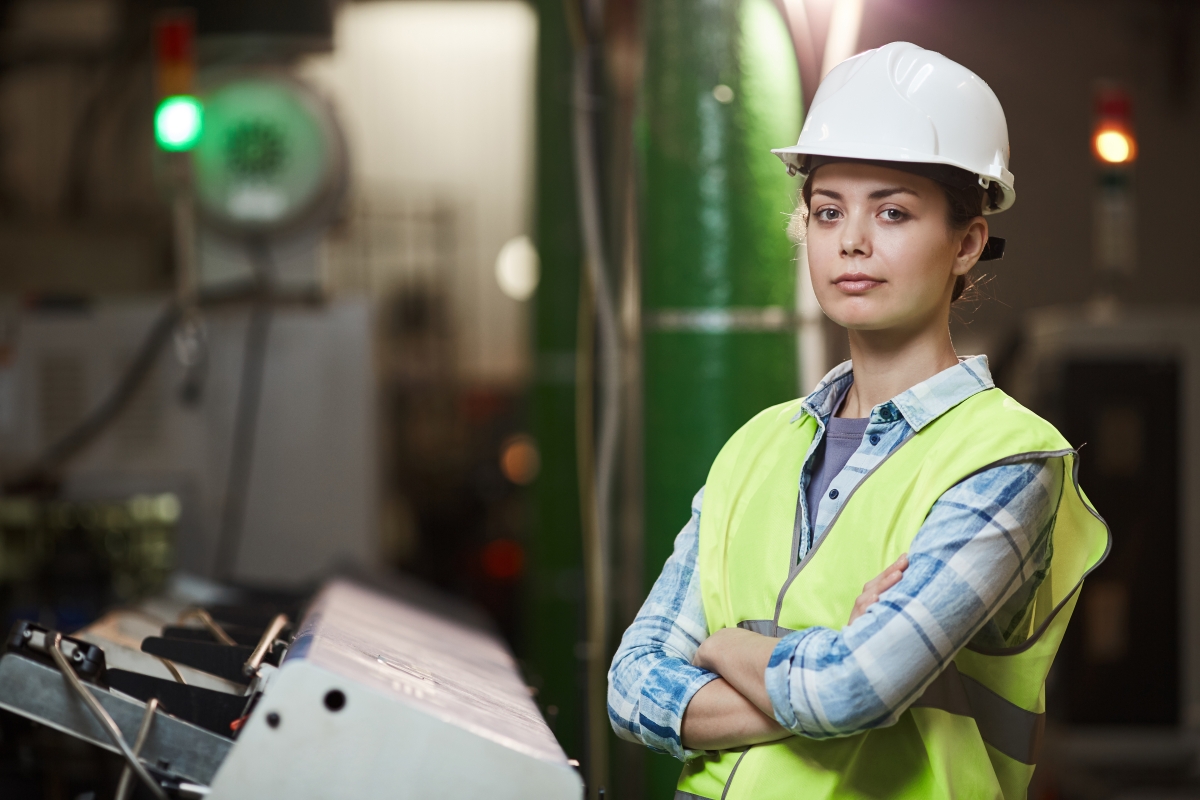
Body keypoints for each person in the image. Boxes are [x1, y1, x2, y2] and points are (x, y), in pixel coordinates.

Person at [607, 42, 1109, 800]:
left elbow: (852, 692)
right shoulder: (756, 447)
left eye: (894, 212)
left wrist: (724, 646)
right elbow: (630, 687)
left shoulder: (1007, 462)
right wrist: (824, 658)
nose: (851, 241)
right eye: (828, 210)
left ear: (967, 243)